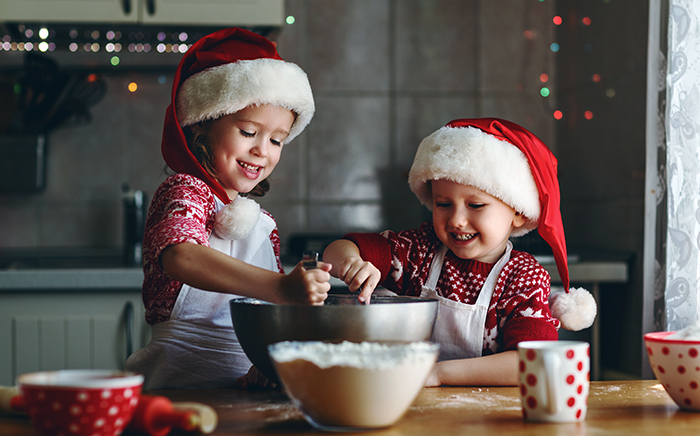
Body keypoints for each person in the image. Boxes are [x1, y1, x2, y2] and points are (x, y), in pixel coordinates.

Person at [124, 27, 331, 390]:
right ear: (202, 129)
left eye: (277, 140)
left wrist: (267, 360)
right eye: (248, 132)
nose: (262, 151)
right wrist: (282, 288)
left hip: (241, 395)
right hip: (177, 387)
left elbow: (271, 316)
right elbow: (181, 257)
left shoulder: (262, 223)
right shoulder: (185, 190)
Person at [322, 118, 596, 387]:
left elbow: (532, 361)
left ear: (519, 213)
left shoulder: (524, 277)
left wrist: (438, 374)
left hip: (491, 420)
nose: (456, 220)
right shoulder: (420, 251)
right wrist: (351, 261)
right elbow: (336, 251)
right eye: (443, 204)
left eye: (475, 205)